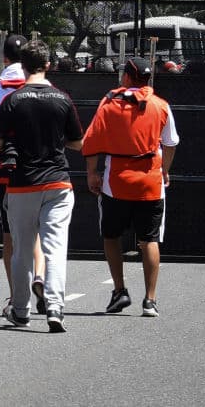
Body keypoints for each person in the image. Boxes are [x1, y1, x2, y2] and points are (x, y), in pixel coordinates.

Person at [0, 40, 83, 334]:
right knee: (55, 248)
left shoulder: (12, 101)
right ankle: (55, 307)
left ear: (23, 65)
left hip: (22, 184)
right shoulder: (62, 99)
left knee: (21, 250)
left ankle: (20, 310)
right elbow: (78, 143)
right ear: (48, 65)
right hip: (57, 181)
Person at [83, 57, 179, 318]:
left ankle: (119, 290)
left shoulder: (109, 103)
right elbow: (170, 144)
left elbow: (91, 141)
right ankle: (150, 300)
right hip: (150, 183)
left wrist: (92, 173)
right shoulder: (161, 106)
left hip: (116, 183)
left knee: (111, 236)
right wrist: (164, 171)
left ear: (126, 77)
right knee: (149, 239)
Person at [0, 34, 47, 315]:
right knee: (36, 232)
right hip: (44, 168)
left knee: (10, 236)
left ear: (5, 58)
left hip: (8, 170)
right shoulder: (46, 86)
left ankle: (16, 297)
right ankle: (40, 276)